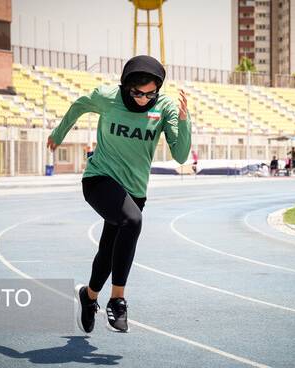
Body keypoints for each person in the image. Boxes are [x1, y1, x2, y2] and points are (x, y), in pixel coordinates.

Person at [47, 55, 191, 334]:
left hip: (134, 190)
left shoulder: (165, 107)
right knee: (132, 222)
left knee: (108, 251)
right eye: (137, 93)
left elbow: (181, 155)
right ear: (126, 86)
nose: (143, 99)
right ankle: (117, 300)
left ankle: (88, 298)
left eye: (150, 93)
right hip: (99, 179)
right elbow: (79, 105)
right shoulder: (107, 97)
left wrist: (184, 121)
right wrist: (59, 132)